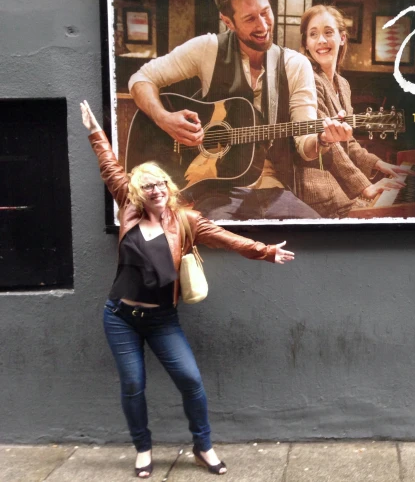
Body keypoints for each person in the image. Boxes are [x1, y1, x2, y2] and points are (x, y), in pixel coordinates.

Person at [80, 100, 294, 478]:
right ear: (137, 191)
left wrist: (264, 252)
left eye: (160, 183)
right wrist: (95, 132)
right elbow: (110, 166)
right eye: (147, 185)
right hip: (120, 316)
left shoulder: (187, 220)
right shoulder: (128, 208)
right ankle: (143, 449)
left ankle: (203, 446)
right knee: (133, 384)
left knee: (191, 381)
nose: (156, 189)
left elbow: (225, 237)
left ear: (169, 186)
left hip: (162, 319)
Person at [128, 0, 353, 220]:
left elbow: (306, 146)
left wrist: (323, 139)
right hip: (214, 191)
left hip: (275, 190)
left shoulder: (294, 65)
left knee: (317, 242)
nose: (263, 25)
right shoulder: (208, 49)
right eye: (250, 19)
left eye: (265, 12)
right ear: (228, 22)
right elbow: (141, 78)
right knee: (218, 245)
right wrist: (163, 118)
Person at [296, 4, 415, 217]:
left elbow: (347, 142)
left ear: (342, 38)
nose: (321, 40)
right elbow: (331, 144)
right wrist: (364, 187)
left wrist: (379, 163)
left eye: (328, 32)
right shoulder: (308, 81)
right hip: (318, 188)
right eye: (313, 34)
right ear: (306, 42)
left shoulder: (343, 84)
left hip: (341, 184)